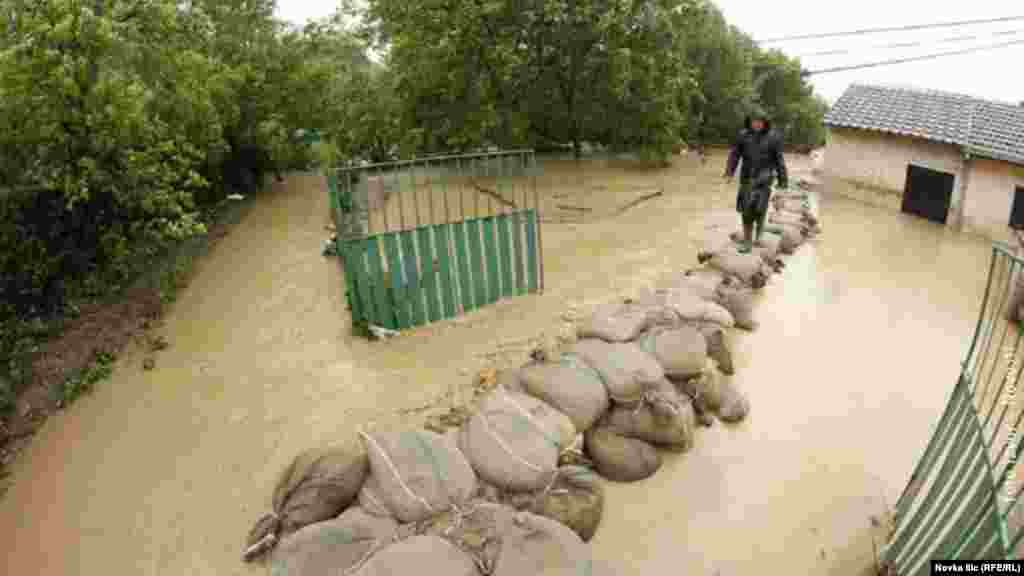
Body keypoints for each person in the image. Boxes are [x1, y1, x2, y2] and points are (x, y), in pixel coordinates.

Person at [723, 106, 788, 253]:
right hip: (747, 179)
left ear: (765, 123)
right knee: (746, 210)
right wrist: (729, 173)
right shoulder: (743, 136)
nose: (757, 124)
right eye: (754, 121)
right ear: (749, 122)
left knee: (760, 209)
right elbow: (734, 155)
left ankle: (759, 234)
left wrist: (783, 182)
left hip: (764, 180)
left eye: (760, 122)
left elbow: (779, 161)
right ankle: (747, 241)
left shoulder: (773, 138)